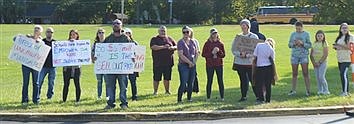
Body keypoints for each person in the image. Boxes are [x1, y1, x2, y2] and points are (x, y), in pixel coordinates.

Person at [103, 19, 131, 109]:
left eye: (118, 23)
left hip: (122, 68)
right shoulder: (108, 39)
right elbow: (102, 51)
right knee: (110, 86)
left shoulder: (126, 38)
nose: (116, 25)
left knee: (123, 86)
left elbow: (131, 50)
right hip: (110, 68)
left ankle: (124, 103)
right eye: (114, 24)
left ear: (121, 25)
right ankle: (110, 103)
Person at [231, 19, 259, 102]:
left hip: (250, 63)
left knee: (252, 79)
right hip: (240, 62)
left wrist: (247, 55)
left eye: (245, 25)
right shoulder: (238, 36)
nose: (243, 27)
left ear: (248, 26)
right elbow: (233, 49)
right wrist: (240, 54)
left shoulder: (254, 37)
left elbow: (256, 49)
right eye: (242, 25)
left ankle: (258, 96)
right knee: (243, 80)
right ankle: (244, 96)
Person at [17, 25, 43, 105]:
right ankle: (25, 100)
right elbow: (15, 39)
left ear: (40, 32)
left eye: (38, 29)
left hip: (35, 65)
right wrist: (23, 37)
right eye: (35, 29)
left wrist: (39, 42)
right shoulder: (28, 38)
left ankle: (36, 100)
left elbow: (44, 51)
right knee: (26, 82)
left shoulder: (42, 41)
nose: (36, 30)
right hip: (26, 64)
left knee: (36, 83)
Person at [150, 25, 177, 95]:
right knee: (156, 78)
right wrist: (163, 47)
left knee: (167, 78)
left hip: (168, 62)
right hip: (158, 63)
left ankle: (167, 91)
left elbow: (176, 46)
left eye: (164, 31)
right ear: (158, 31)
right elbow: (153, 47)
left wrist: (172, 47)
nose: (163, 32)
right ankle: (155, 91)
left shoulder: (170, 39)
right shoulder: (154, 39)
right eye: (161, 31)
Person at [288, 21, 312, 96]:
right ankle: (293, 90)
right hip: (294, 55)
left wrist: (302, 43)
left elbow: (309, 45)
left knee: (305, 73)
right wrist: (294, 44)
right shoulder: (293, 34)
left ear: (302, 27)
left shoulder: (306, 34)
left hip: (304, 55)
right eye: (296, 29)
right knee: (294, 73)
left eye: (299, 29)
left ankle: (308, 90)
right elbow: (289, 44)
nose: (298, 30)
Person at [202, 28, 225, 101]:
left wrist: (219, 51)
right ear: (211, 35)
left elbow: (223, 55)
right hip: (210, 65)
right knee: (209, 80)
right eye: (213, 34)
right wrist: (212, 53)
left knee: (220, 80)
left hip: (219, 64)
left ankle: (222, 97)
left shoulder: (220, 43)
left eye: (215, 33)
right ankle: (208, 97)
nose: (214, 35)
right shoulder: (207, 43)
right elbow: (203, 54)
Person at [177, 26, 197, 103]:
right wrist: (189, 62)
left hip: (192, 64)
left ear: (190, 32)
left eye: (187, 32)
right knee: (183, 82)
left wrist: (194, 62)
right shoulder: (180, 42)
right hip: (183, 65)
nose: (185, 34)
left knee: (191, 82)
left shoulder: (192, 42)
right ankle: (179, 99)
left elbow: (196, 53)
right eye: (184, 32)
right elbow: (181, 55)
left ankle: (189, 98)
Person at [333, 23, 354, 96]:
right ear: (340, 29)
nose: (344, 29)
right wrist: (336, 47)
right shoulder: (340, 37)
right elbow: (336, 46)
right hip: (340, 59)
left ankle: (345, 92)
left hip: (347, 59)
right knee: (344, 75)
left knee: (343, 74)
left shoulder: (351, 37)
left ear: (348, 29)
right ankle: (346, 91)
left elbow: (350, 47)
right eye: (343, 28)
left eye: (346, 28)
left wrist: (339, 46)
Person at [253, 38, 276, 104]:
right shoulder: (271, 49)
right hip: (268, 67)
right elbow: (272, 60)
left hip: (260, 67)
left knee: (259, 84)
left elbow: (255, 56)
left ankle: (261, 98)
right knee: (268, 84)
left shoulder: (259, 45)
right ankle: (268, 99)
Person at [62, 29, 82, 104]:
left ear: (77, 35)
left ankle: (77, 100)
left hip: (77, 68)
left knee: (77, 84)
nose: (72, 36)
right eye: (71, 34)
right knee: (66, 84)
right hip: (67, 68)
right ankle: (64, 100)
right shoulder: (65, 44)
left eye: (74, 34)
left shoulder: (81, 44)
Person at [38, 27, 56, 101]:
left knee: (51, 82)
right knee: (39, 81)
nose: (49, 33)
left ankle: (49, 96)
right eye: (48, 32)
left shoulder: (55, 43)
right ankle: (37, 96)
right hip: (43, 66)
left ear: (52, 33)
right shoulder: (42, 42)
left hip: (52, 66)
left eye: (51, 32)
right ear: (45, 33)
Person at [310, 30, 330, 95]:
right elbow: (311, 54)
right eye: (318, 36)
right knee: (317, 77)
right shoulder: (314, 43)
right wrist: (313, 62)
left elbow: (326, 54)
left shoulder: (324, 43)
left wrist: (320, 62)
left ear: (323, 36)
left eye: (321, 36)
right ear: (316, 36)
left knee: (321, 76)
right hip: (315, 63)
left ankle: (326, 90)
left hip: (322, 62)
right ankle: (320, 90)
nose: (319, 37)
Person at [92, 28, 108, 100]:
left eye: (102, 32)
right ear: (97, 34)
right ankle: (99, 96)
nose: (101, 34)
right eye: (99, 33)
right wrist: (93, 58)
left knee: (107, 81)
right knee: (99, 81)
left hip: (107, 65)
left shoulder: (108, 42)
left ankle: (108, 96)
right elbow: (92, 53)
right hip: (98, 65)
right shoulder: (95, 44)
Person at [124, 28, 139, 101]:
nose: (127, 34)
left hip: (132, 66)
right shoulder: (121, 43)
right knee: (124, 83)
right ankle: (124, 97)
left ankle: (134, 96)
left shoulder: (134, 43)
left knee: (133, 82)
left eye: (128, 33)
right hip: (123, 66)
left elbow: (138, 53)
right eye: (125, 33)